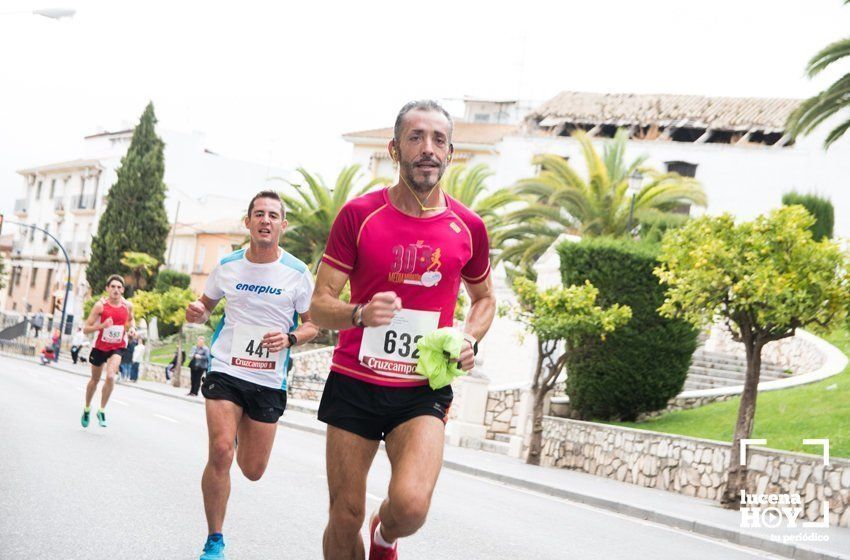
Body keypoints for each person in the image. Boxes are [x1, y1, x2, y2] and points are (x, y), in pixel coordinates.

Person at [310, 100, 496, 560]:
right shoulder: (359, 215)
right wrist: (358, 314)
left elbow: (485, 299)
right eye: (416, 137)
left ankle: (384, 536)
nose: (427, 149)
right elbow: (319, 305)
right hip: (355, 380)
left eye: (438, 140)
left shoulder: (468, 227)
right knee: (344, 514)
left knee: (411, 507)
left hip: (421, 387)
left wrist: (469, 338)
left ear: (450, 152)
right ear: (395, 149)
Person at [185, 190, 319, 560]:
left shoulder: (297, 273)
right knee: (221, 450)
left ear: (282, 226)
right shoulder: (227, 265)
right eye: (258, 214)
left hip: (267, 379)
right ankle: (214, 540)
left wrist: (290, 338)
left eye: (273, 215)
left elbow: (313, 327)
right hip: (226, 367)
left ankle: (240, 434)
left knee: (253, 470)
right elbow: (204, 305)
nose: (265, 220)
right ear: (247, 222)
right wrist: (195, 311)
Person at [81, 275, 135, 428]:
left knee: (111, 376)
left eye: (119, 287)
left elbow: (131, 321)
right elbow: (86, 328)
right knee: (95, 380)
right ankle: (87, 407)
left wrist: (132, 329)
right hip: (100, 347)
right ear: (107, 289)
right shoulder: (100, 306)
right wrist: (102, 325)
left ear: (123, 290)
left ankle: (102, 410)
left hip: (117, 346)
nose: (116, 290)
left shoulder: (128, 306)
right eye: (113, 287)